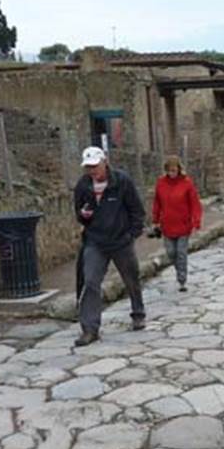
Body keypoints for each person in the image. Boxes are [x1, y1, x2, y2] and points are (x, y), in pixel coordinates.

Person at [72, 146, 146, 346]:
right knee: (90, 281)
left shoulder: (121, 181)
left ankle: (138, 313)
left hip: (121, 240)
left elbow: (136, 209)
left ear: (105, 162)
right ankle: (89, 329)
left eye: (95, 166)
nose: (92, 171)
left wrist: (132, 233)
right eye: (88, 167)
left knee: (131, 278)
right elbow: (78, 212)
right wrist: (83, 216)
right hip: (95, 241)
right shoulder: (83, 185)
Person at [152, 155, 202, 293]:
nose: (172, 173)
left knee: (181, 252)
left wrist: (196, 221)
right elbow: (157, 203)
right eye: (169, 171)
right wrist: (155, 220)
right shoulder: (161, 184)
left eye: (174, 170)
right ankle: (178, 269)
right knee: (171, 252)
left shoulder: (187, 184)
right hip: (167, 225)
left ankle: (182, 279)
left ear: (179, 170)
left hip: (183, 224)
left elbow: (195, 204)